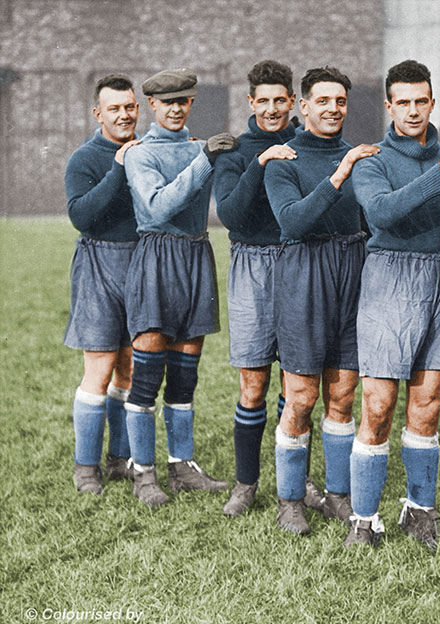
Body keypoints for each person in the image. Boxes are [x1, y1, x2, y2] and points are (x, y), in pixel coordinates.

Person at [347, 60, 440, 549]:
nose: (412, 110)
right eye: (402, 102)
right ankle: (363, 519)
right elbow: (380, 210)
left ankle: (418, 509)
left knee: (426, 406)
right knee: (379, 405)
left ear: (432, 102)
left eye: (420, 100)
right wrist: (439, 173)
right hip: (389, 278)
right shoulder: (372, 159)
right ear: (388, 106)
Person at [264, 67, 378, 535]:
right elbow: (293, 223)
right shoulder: (282, 159)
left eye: (340, 101)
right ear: (303, 105)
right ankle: (290, 498)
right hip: (304, 274)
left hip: (352, 270)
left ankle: (336, 494)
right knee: (302, 395)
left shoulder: (362, 156)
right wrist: (340, 173)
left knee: (343, 394)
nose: (333, 109)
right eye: (323, 101)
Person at [214, 60, 326, 517]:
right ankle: (246, 483)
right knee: (253, 383)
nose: (274, 109)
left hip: (300, 261)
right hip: (253, 267)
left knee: (298, 384)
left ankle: (296, 482)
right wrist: (259, 162)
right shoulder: (234, 151)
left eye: (281, 100)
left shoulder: (306, 144)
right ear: (251, 102)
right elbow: (232, 216)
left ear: (293, 102)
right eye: (265, 101)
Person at [123, 68, 237, 506]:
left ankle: (183, 466)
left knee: (185, 376)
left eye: (183, 101)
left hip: (196, 256)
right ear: (152, 105)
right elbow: (160, 205)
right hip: (156, 257)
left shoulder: (198, 148)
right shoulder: (140, 154)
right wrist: (206, 157)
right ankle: (143, 473)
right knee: (148, 373)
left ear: (191, 104)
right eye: (166, 102)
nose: (174, 109)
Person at [64, 74, 141, 494]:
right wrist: (118, 167)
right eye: (115, 108)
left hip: (140, 265)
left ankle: (119, 459)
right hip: (98, 264)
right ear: (99, 114)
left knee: (130, 368)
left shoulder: (144, 151)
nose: (125, 114)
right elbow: (82, 215)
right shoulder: (85, 158)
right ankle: (85, 467)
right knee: (100, 366)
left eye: (130, 107)